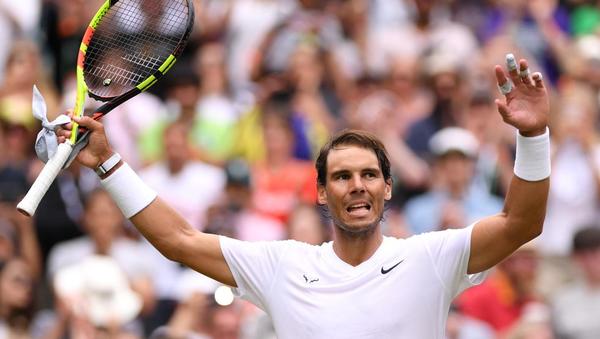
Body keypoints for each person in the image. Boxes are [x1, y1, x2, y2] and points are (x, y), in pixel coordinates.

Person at [54, 54, 550, 338]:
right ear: (320, 193)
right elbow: (179, 239)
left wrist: (533, 137)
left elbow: (520, 224)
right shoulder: (282, 265)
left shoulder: (431, 257)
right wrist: (110, 163)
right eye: (341, 177)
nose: (357, 185)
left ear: (388, 188)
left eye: (369, 175)